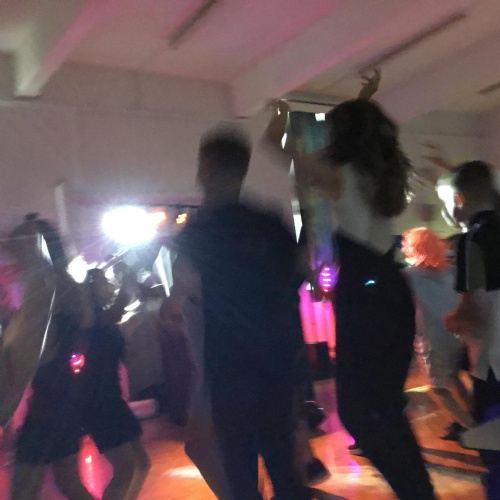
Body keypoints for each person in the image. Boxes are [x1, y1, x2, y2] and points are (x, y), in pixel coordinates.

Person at [264, 98, 436, 499]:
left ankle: (417, 494)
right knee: (384, 407)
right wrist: (366, 100)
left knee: (360, 412)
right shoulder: (379, 173)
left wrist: (279, 118)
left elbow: (275, 145)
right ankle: (419, 493)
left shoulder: (339, 173)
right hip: (390, 287)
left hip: (366, 295)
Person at [172, 128, 309, 499]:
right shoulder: (269, 221)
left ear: (207, 168)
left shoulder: (198, 233)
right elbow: (297, 276)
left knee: (239, 466)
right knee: (282, 460)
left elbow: (187, 291)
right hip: (275, 359)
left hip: (229, 365)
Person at [10, 216, 95, 500]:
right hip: (65, 398)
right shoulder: (70, 285)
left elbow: (43, 351)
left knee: (24, 490)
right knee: (68, 482)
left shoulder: (47, 288)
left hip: (47, 404)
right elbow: (79, 341)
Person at [445, 160, 500, 499]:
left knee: (494, 447)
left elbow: (474, 312)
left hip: (493, 361)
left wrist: (449, 322)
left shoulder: (473, 240)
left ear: (461, 198)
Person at [82, 267, 151, 500]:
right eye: (102, 281)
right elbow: (117, 308)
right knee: (125, 470)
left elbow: (124, 358)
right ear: (92, 289)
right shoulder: (89, 318)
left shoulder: (105, 319)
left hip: (112, 400)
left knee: (141, 463)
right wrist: (128, 278)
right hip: (99, 405)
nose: (108, 284)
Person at [402, 227, 474, 435]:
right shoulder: (452, 270)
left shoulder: (408, 276)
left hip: (434, 338)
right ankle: (477, 417)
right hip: (460, 333)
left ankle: (471, 427)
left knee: (438, 387)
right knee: (455, 378)